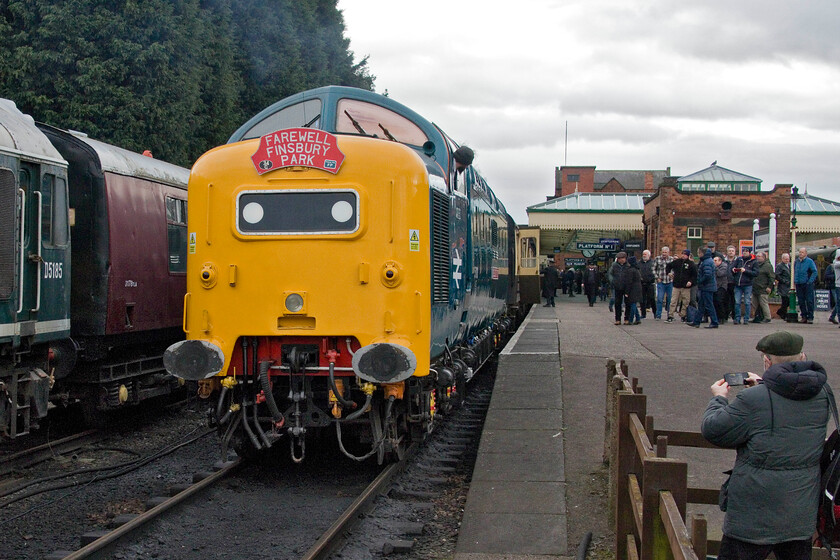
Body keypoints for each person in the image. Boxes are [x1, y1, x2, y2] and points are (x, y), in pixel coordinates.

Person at [701, 331, 831, 560]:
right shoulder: (822, 394)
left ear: (767, 361)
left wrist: (719, 399)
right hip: (799, 513)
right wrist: (763, 384)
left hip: (753, 516)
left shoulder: (753, 400)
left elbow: (714, 430)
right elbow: (790, 407)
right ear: (802, 357)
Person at [690, 248, 718, 328]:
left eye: (699, 253)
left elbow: (707, 275)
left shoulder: (706, 262)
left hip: (707, 287)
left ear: (702, 253)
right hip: (706, 287)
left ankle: (714, 322)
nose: (698, 254)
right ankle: (696, 321)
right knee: (701, 305)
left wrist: (700, 281)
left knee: (709, 305)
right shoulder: (707, 261)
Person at [666, 249, 696, 323]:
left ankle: (683, 315)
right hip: (676, 285)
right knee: (673, 301)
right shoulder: (677, 262)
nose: (683, 255)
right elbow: (668, 266)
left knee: (686, 301)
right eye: (682, 254)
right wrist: (668, 273)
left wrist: (690, 281)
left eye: (685, 254)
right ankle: (670, 315)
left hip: (686, 286)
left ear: (688, 255)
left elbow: (694, 275)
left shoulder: (691, 264)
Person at [730, 248, 757, 325]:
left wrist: (745, 271)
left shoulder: (753, 261)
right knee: (737, 302)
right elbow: (731, 267)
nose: (744, 253)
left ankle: (746, 319)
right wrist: (733, 270)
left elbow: (755, 273)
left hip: (748, 284)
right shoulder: (739, 260)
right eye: (743, 251)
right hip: (738, 284)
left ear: (749, 252)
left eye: (746, 251)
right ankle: (737, 318)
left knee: (747, 302)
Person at [794, 248, 817, 324]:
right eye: (800, 252)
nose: (800, 254)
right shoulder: (796, 262)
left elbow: (814, 272)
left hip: (807, 284)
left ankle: (810, 317)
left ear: (806, 253)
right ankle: (804, 316)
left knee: (809, 300)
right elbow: (794, 271)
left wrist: (810, 281)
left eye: (802, 252)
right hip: (798, 283)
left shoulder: (810, 261)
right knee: (801, 301)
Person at [750, 252, 775, 323]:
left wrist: (769, 287)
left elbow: (772, 277)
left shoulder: (767, 266)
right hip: (755, 288)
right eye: (757, 256)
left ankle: (767, 317)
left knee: (763, 303)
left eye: (759, 256)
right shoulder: (755, 265)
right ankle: (757, 317)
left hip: (763, 288)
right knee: (755, 303)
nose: (757, 257)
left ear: (764, 257)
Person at [653, 246, 674, 320]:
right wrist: (657, 277)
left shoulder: (672, 259)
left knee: (670, 299)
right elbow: (653, 269)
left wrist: (672, 275)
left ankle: (670, 315)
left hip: (669, 282)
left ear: (668, 253)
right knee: (659, 299)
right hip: (661, 282)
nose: (664, 254)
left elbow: (675, 269)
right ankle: (658, 315)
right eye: (663, 252)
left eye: (665, 252)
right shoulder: (657, 259)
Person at [610, 252, 630, 325]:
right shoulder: (614, 266)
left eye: (622, 258)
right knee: (617, 303)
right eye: (619, 258)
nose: (621, 260)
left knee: (628, 303)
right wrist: (613, 281)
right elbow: (610, 274)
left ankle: (626, 319)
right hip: (617, 286)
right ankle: (617, 319)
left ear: (625, 258)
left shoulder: (628, 266)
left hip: (626, 287)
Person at [626, 256, 643, 324]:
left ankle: (630, 319)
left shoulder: (631, 271)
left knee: (632, 304)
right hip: (638, 288)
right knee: (634, 304)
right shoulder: (637, 269)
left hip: (632, 289)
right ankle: (638, 318)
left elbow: (629, 282)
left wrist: (627, 292)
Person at [639, 250, 656, 319]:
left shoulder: (653, 263)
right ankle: (643, 314)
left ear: (649, 255)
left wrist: (652, 278)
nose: (644, 255)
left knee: (652, 298)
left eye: (645, 254)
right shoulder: (639, 263)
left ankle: (655, 313)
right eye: (643, 254)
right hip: (642, 284)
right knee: (642, 299)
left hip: (650, 283)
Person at [774, 253, 791, 320]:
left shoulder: (790, 265)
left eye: (788, 259)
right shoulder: (779, 266)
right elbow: (777, 275)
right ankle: (784, 314)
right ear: (782, 259)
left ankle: (781, 312)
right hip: (783, 286)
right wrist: (784, 281)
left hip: (789, 285)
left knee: (788, 301)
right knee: (785, 300)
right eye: (785, 259)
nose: (787, 260)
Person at [714, 254, 730, 324]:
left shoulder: (724, 266)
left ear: (720, 261)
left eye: (715, 261)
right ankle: (717, 317)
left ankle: (722, 317)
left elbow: (720, 274)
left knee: (719, 301)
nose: (714, 262)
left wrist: (715, 268)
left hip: (722, 286)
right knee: (715, 302)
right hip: (715, 286)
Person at [725, 245, 738, 321]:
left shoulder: (738, 261)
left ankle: (734, 316)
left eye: (732, 251)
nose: (731, 252)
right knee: (725, 300)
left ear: (735, 252)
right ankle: (725, 316)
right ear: (727, 252)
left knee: (734, 300)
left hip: (734, 283)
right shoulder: (724, 260)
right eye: (729, 251)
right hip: (725, 282)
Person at [825, 259, 837, 324]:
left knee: (838, 303)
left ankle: (832, 316)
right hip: (834, 286)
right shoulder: (831, 266)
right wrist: (835, 276)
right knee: (837, 302)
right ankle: (832, 316)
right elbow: (826, 276)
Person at [832, 251, 840, 328]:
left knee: (838, 303)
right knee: (839, 303)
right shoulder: (836, 263)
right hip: (838, 285)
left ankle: (832, 316)